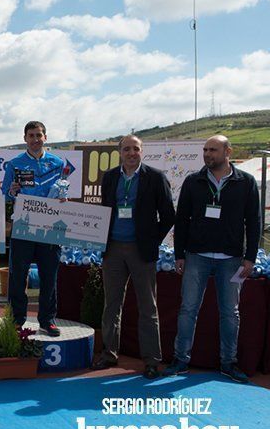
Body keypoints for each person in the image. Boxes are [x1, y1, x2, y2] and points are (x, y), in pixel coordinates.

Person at [164, 135, 261, 383]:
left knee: (230, 313)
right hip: (196, 256)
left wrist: (249, 257)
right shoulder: (193, 181)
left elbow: (254, 221)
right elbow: (182, 219)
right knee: (188, 310)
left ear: (228, 151)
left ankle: (228, 363)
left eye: (213, 150)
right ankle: (180, 360)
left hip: (231, 258)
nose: (207, 154)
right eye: (205, 150)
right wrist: (179, 255)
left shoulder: (246, 182)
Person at [90, 135, 175, 378]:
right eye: (126, 149)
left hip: (141, 251)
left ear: (142, 151)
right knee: (111, 305)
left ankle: (151, 359)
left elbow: (169, 215)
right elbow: (105, 210)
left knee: (148, 307)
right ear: (120, 152)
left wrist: (150, 240)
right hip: (113, 248)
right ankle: (109, 354)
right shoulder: (110, 177)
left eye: (135, 149)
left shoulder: (156, 177)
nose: (131, 153)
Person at [1, 121, 64, 336]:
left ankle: (47, 320)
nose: (35, 139)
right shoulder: (15, 163)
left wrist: (63, 197)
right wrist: (12, 190)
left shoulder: (58, 163)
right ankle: (17, 319)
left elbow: (63, 192)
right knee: (18, 275)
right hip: (23, 226)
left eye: (39, 135)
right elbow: (6, 193)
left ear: (45, 137)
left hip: (49, 228)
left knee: (49, 275)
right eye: (31, 135)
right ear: (25, 138)